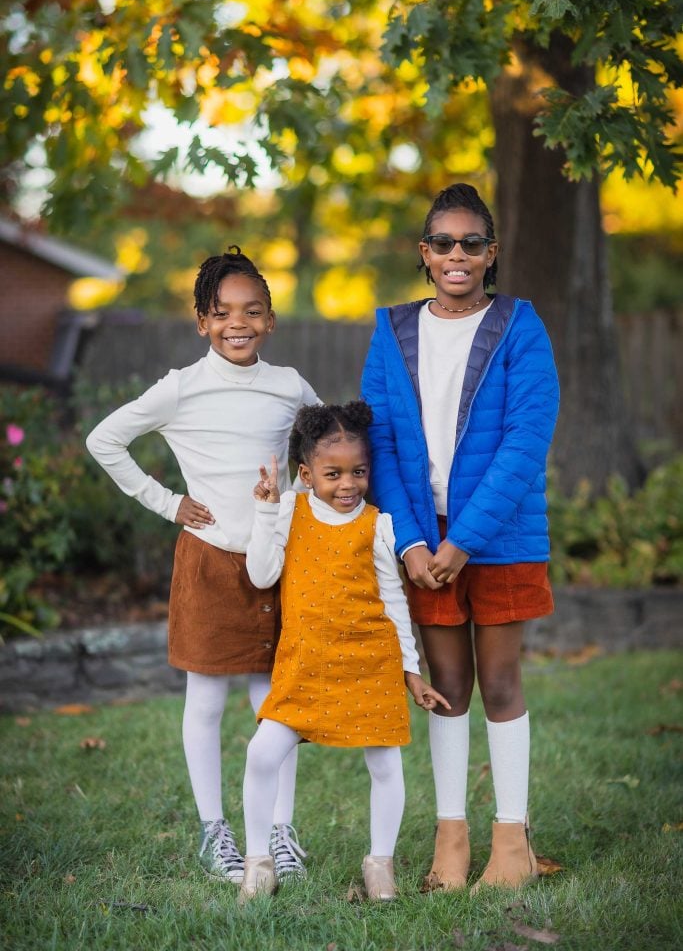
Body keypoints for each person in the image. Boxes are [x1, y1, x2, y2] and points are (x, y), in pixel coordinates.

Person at [86, 247, 320, 885]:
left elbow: (321, 454)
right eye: (221, 314)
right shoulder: (182, 388)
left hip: (276, 562)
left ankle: (279, 831)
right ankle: (216, 832)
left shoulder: (290, 385)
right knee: (207, 700)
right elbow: (104, 439)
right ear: (201, 322)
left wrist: (296, 505)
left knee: (278, 703)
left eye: (251, 312)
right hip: (210, 561)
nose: (236, 324)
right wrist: (167, 502)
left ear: (270, 319)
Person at [360, 183, 560, 893]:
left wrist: (463, 541)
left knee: (500, 681)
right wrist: (413, 542)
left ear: (490, 253)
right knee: (444, 686)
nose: (456, 254)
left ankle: (512, 844)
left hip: (498, 538)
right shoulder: (392, 330)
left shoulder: (518, 327)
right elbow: (377, 439)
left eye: (470, 243)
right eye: (442, 242)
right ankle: (451, 839)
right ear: (423, 253)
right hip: (424, 540)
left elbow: (524, 439)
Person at [240, 401, 450, 903]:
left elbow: (394, 599)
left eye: (358, 472)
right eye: (333, 474)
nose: (348, 484)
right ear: (307, 474)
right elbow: (261, 575)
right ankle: (258, 861)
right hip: (306, 667)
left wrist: (409, 669)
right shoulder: (288, 511)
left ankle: (380, 862)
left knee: (385, 766)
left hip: (369, 664)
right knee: (261, 753)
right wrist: (266, 510)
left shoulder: (377, 524)